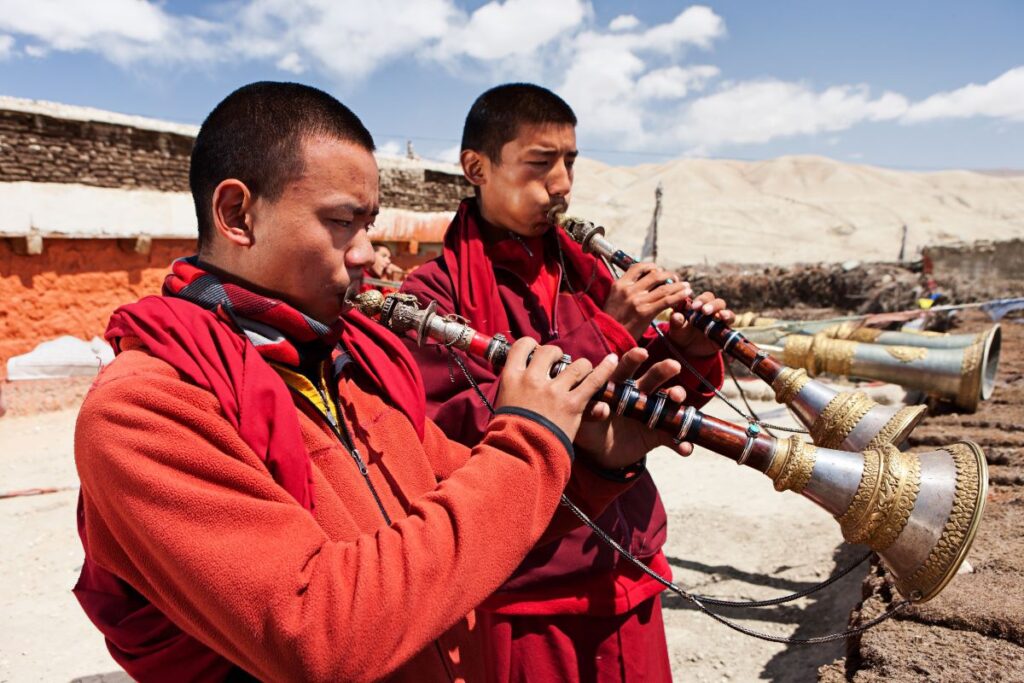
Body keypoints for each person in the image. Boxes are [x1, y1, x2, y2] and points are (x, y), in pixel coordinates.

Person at [71, 82, 681, 682]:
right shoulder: (145, 409)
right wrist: (529, 440)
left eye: (369, 223)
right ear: (237, 215)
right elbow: (319, 637)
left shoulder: (354, 365)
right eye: (342, 221)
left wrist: (595, 462)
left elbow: (473, 517)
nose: (366, 254)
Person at [400, 83, 734, 682]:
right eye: (539, 163)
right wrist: (610, 325)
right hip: (526, 598)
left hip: (627, 571)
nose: (562, 184)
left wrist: (689, 351)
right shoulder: (430, 298)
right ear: (476, 168)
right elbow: (461, 431)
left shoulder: (586, 271)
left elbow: (646, 406)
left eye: (570, 161)